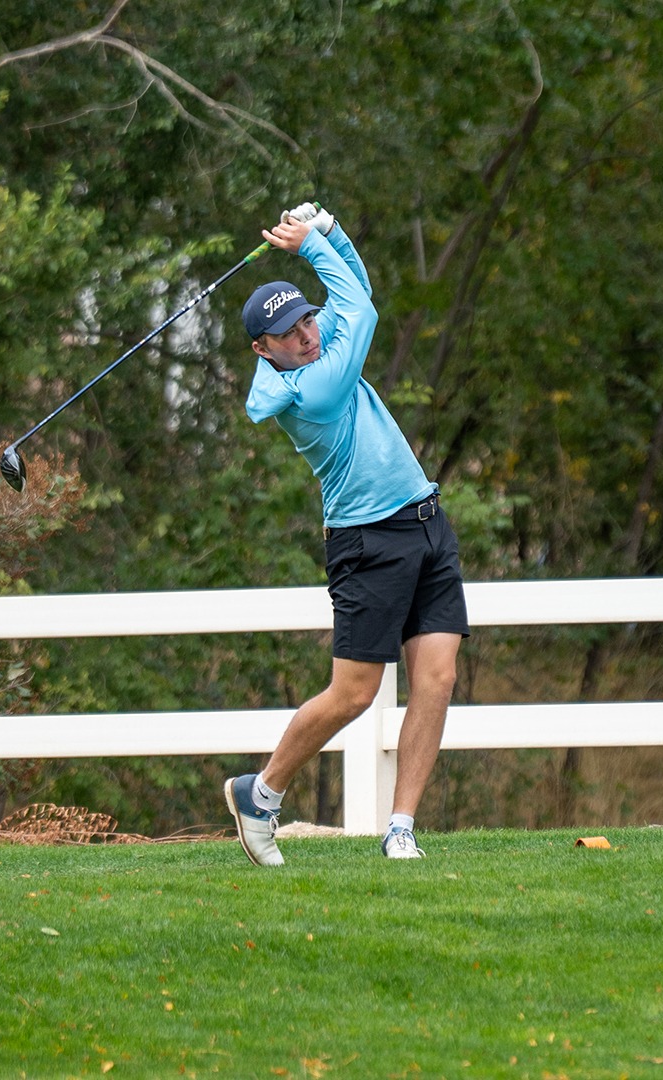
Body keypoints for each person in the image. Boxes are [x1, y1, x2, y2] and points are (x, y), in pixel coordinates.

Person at [223, 201, 468, 864]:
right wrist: (310, 245)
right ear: (263, 349)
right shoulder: (313, 389)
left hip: (425, 522)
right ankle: (261, 791)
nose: (307, 332)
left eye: (306, 317)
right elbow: (361, 310)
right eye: (290, 330)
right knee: (355, 692)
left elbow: (356, 292)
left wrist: (329, 234)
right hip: (369, 544)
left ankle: (401, 827)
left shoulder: (313, 346)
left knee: (438, 678)